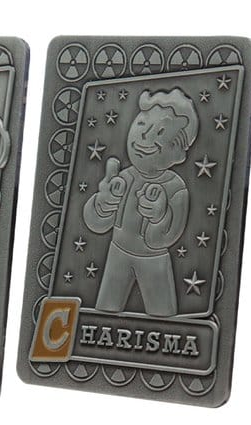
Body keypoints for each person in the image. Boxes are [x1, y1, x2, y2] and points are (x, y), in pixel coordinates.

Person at [83, 88, 198, 317]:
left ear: (179, 152)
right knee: (105, 308)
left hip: (154, 262)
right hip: (118, 252)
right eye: (142, 124)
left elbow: (167, 237)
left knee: (162, 314)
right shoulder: (123, 177)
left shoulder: (176, 189)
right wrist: (102, 204)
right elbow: (96, 224)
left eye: (160, 132)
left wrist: (159, 217)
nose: (145, 136)